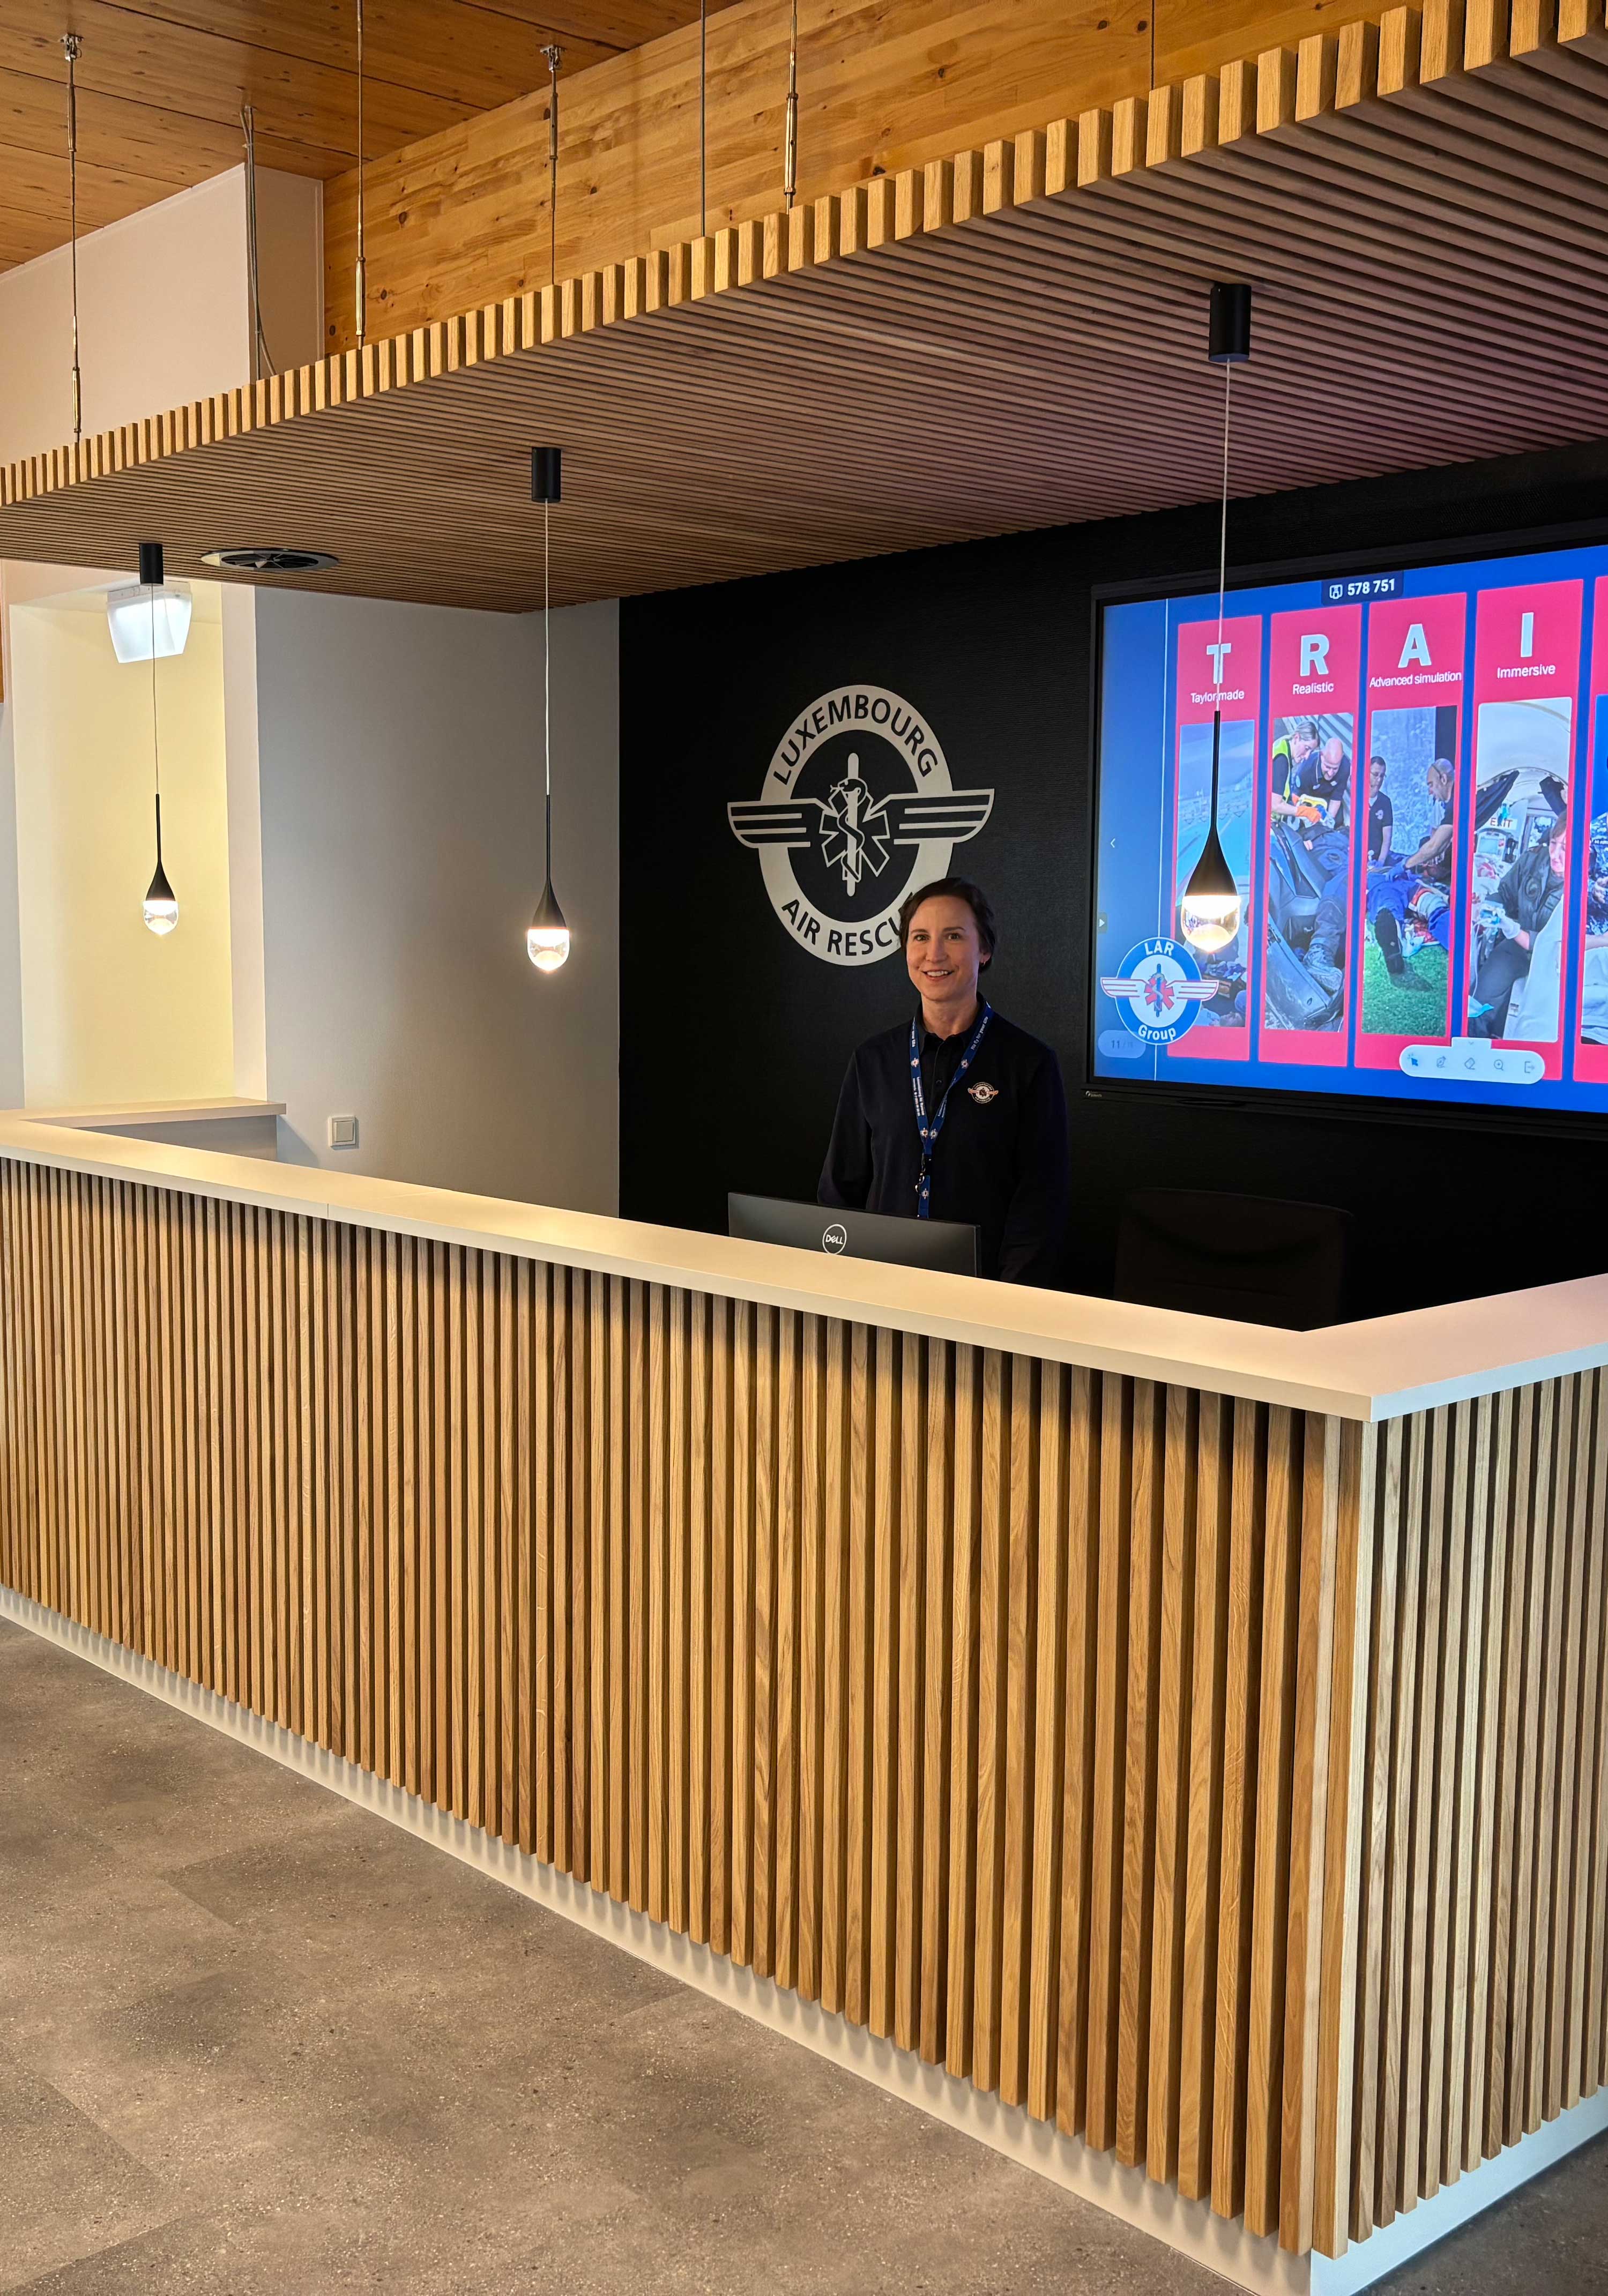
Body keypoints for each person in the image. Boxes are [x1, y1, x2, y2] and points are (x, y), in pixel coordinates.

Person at [818, 877, 1070, 1285]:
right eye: (920, 937)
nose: (933, 954)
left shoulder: (1030, 1063)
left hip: (985, 1300)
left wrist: (1008, 1304)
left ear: (984, 950)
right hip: (881, 1291)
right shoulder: (872, 1060)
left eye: (953, 936)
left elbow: (1041, 1206)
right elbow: (839, 1191)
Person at [1469, 808, 1568, 1038]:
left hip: (1554, 963)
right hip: (1515, 949)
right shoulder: (1532, 860)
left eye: (1566, 848)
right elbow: (1505, 894)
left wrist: (1513, 930)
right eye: (1554, 843)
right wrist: (1491, 907)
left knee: (1541, 1025)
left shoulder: (1589, 885)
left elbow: (1560, 944)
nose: (1556, 854)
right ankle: (1476, 1048)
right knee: (1481, 999)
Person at [1367, 757, 1455, 979]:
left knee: (1397, 896)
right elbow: (1435, 846)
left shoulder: (1457, 803)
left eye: (1431, 785)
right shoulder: (1353, 798)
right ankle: (1393, 942)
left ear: (1443, 779)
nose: (1429, 792)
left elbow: (1434, 847)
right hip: (1382, 876)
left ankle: (1392, 930)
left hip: (1392, 873)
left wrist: (1391, 864)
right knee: (1402, 899)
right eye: (1374, 774)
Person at [1281, 734, 1352, 993]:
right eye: (1328, 767)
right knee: (1348, 876)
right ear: (1320, 756)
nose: (1332, 772)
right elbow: (1295, 805)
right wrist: (1307, 834)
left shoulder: (1343, 767)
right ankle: (1320, 950)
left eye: (1336, 767)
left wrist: (1327, 823)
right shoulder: (1307, 768)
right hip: (1316, 838)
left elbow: (1334, 802)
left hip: (1336, 835)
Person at [1367, 756, 1394, 863]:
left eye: (1382, 776)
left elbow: (1387, 838)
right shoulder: (1355, 796)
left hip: (1375, 859)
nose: (1379, 780)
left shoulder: (1385, 802)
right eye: (1375, 775)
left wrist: (1381, 863)